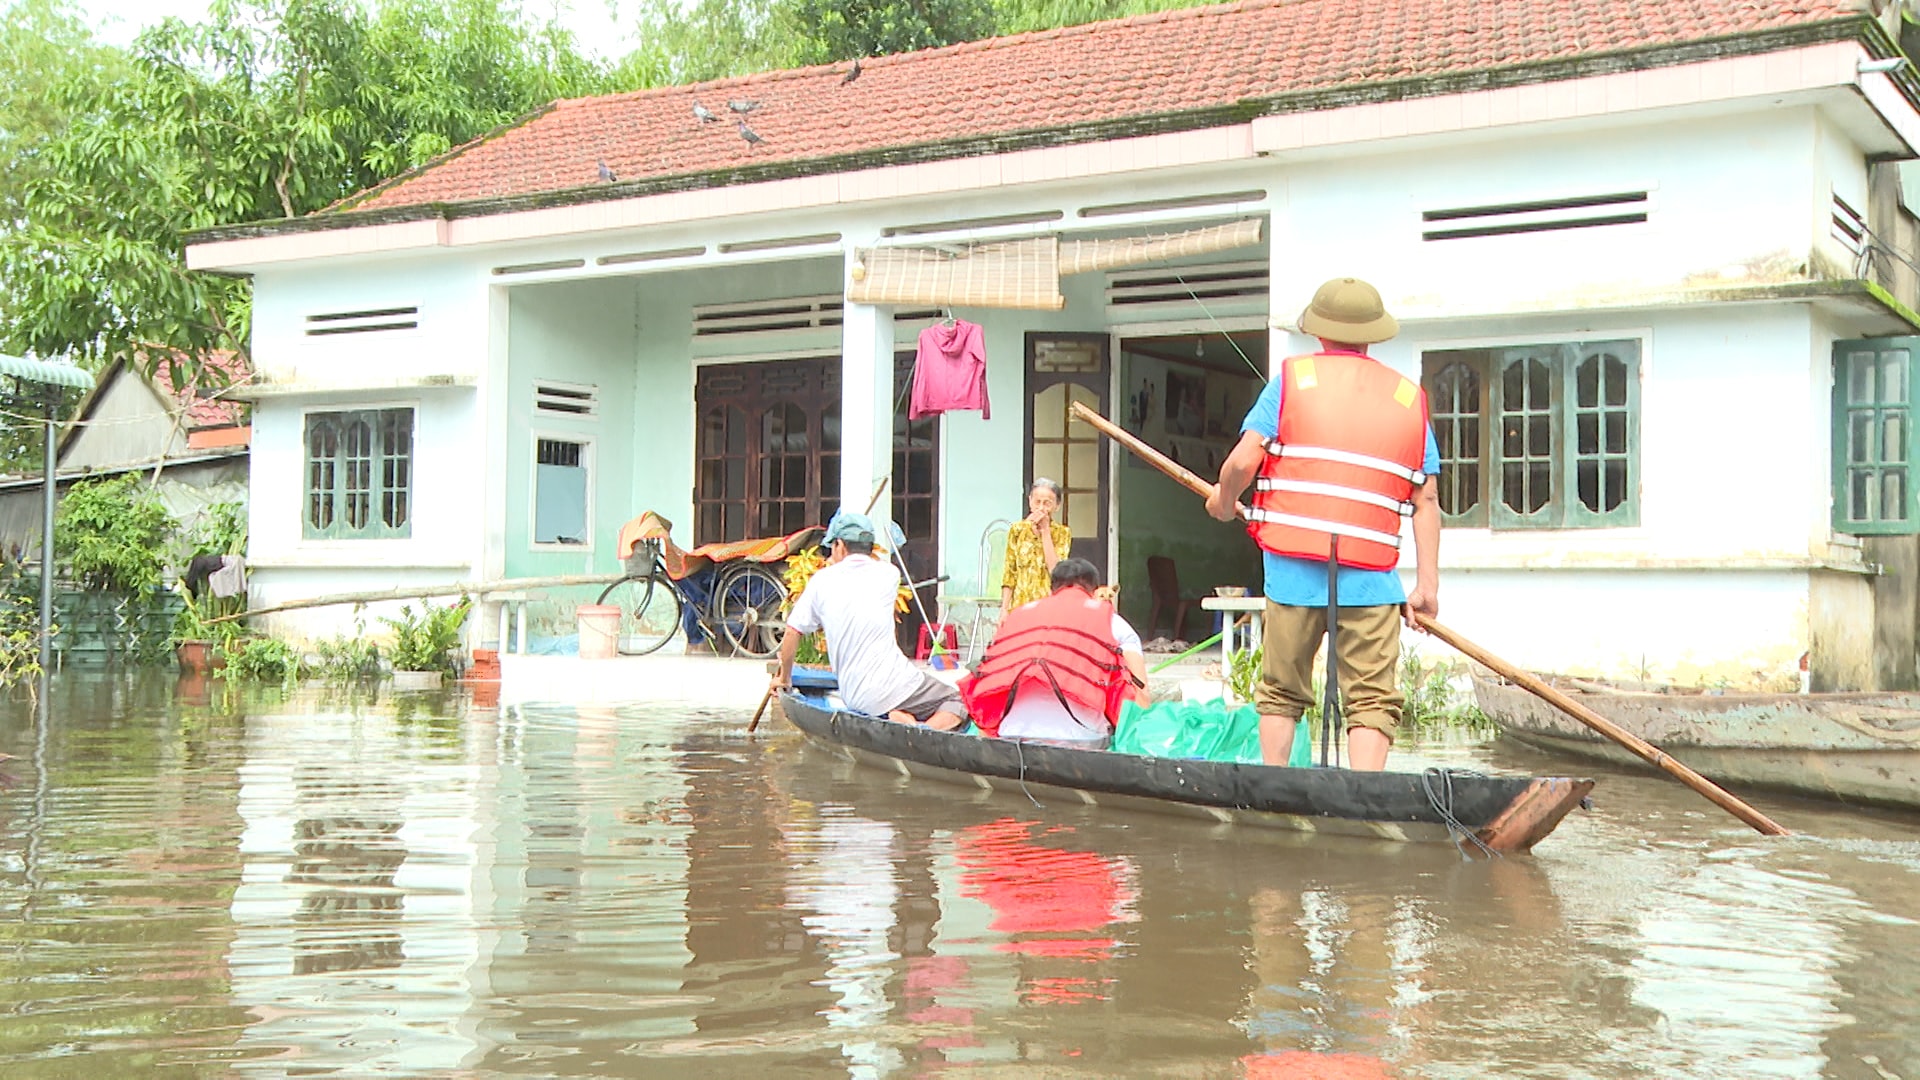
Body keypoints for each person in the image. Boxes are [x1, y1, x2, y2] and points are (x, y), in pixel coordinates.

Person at [1206, 277, 1441, 772]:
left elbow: (1243, 460)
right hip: (1372, 578)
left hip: (1293, 571)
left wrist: (1224, 500)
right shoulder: (1408, 398)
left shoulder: (1291, 381)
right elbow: (1427, 498)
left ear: (1319, 334)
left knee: (1280, 691)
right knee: (1373, 699)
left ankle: (1275, 786)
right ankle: (1366, 799)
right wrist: (1426, 586)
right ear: (1373, 335)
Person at [773, 511, 968, 731]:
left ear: (840, 546)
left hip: (856, 695)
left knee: (911, 695)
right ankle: (923, 730)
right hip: (895, 687)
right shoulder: (889, 574)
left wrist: (784, 680)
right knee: (959, 700)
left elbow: (792, 631)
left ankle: (906, 724)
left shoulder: (822, 581)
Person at [962, 557, 1147, 745]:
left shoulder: (1017, 616)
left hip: (1011, 733)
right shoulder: (1114, 623)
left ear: (1052, 590)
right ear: (1093, 592)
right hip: (1084, 738)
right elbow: (1141, 704)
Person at [1000, 478, 1070, 609]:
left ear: (1057, 506)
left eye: (1047, 503)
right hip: (1020, 605)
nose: (1041, 508)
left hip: (1048, 605)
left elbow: (1056, 570)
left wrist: (1045, 531)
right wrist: (1004, 609)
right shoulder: (1017, 530)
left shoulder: (1062, 533)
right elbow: (1009, 573)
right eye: (1037, 502)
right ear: (1030, 502)